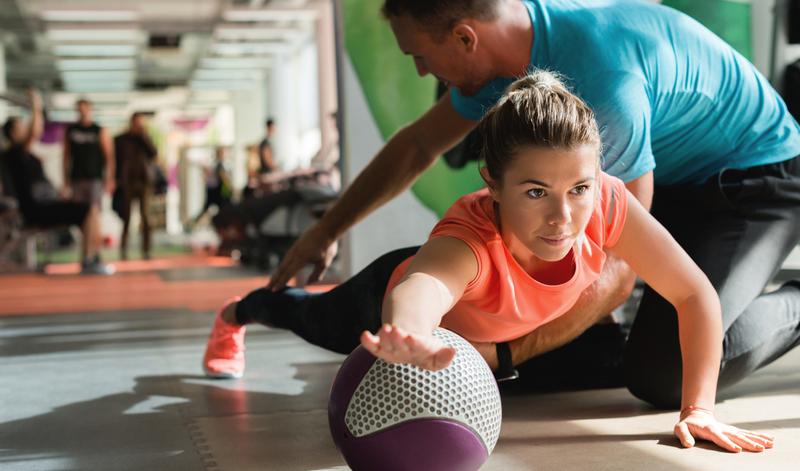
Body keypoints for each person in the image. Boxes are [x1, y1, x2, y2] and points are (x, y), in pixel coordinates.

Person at [204, 73, 783, 452]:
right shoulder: (470, 238)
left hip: (512, 334)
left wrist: (699, 408)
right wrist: (407, 331)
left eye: (578, 187)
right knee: (305, 315)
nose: (563, 216)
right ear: (494, 186)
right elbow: (426, 284)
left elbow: (693, 293)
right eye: (535, 192)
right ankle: (239, 312)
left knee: (619, 363)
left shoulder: (604, 200)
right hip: (398, 310)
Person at [268, 0, 800, 409]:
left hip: (758, 178)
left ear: (464, 37)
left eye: (421, 56)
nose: (422, 74)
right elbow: (417, 146)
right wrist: (325, 230)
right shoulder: (507, 64)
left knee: (667, 373)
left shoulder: (600, 87)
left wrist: (500, 358)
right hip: (675, 173)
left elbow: (615, 274)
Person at [2, 89, 113, 275]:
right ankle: (89, 260)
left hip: (45, 204)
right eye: (20, 127)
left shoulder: (22, 155)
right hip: (36, 210)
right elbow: (35, 130)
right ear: (13, 134)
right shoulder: (15, 153)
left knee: (91, 212)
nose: (24, 128)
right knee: (88, 211)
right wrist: (36, 105)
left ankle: (91, 258)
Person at [114, 112, 158, 260]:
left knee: (145, 216)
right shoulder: (121, 140)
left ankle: (146, 250)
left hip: (144, 181)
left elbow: (154, 154)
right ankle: (123, 250)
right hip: (127, 182)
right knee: (126, 217)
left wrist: (143, 137)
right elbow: (116, 161)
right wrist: (116, 179)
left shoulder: (145, 139)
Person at [62, 98, 114, 209]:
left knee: (94, 210)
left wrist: (110, 179)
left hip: (95, 178)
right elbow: (66, 156)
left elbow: (109, 156)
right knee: (78, 211)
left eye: (85, 108)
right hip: (76, 177)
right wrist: (65, 179)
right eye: (80, 109)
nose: (82, 111)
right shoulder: (71, 130)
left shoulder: (99, 130)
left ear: (90, 109)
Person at [192, 146, 232, 226]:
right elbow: (223, 177)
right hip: (217, 192)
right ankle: (195, 223)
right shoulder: (219, 164)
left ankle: (195, 223)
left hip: (212, 190)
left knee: (208, 209)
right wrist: (230, 186)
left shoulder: (215, 163)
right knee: (221, 209)